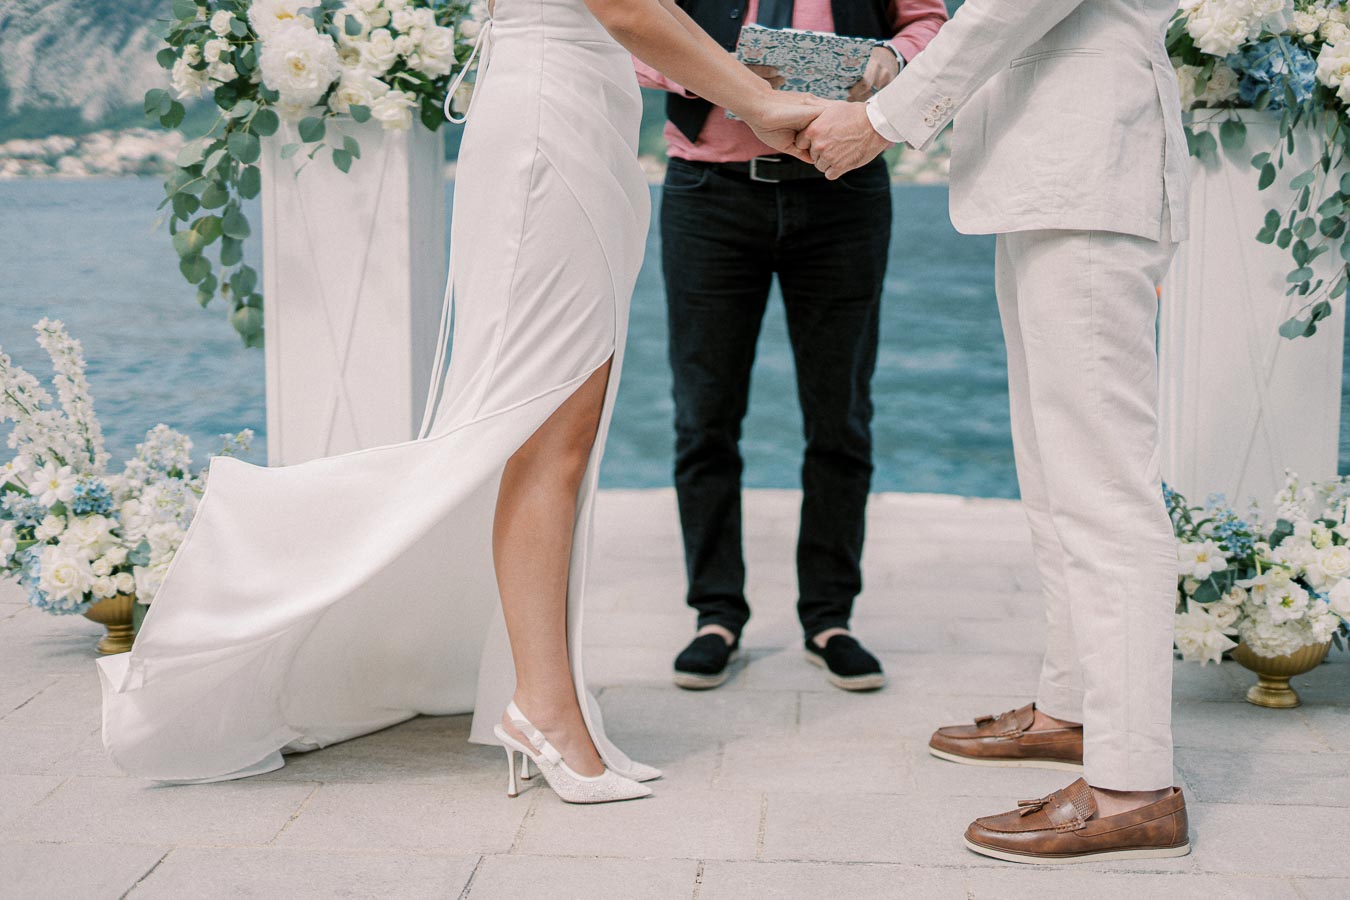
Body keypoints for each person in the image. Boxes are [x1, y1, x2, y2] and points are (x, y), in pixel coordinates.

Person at [96, 0, 821, 806]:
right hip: (552, 118)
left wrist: (759, 93)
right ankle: (538, 706)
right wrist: (760, 103)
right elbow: (628, 9)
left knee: (563, 432)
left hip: (586, 111)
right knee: (545, 432)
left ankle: (551, 698)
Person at [796, 0, 1193, 863]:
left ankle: (1134, 785)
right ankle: (1073, 709)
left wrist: (882, 120)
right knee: (1057, 478)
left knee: (1101, 487)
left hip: (1092, 163)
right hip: (1058, 171)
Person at [635, 0, 947, 694]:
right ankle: (715, 614)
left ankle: (829, 617)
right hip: (708, 192)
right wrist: (726, 76)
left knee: (841, 416)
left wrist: (891, 60)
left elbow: (930, 23)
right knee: (703, 417)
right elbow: (633, 34)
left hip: (846, 191)